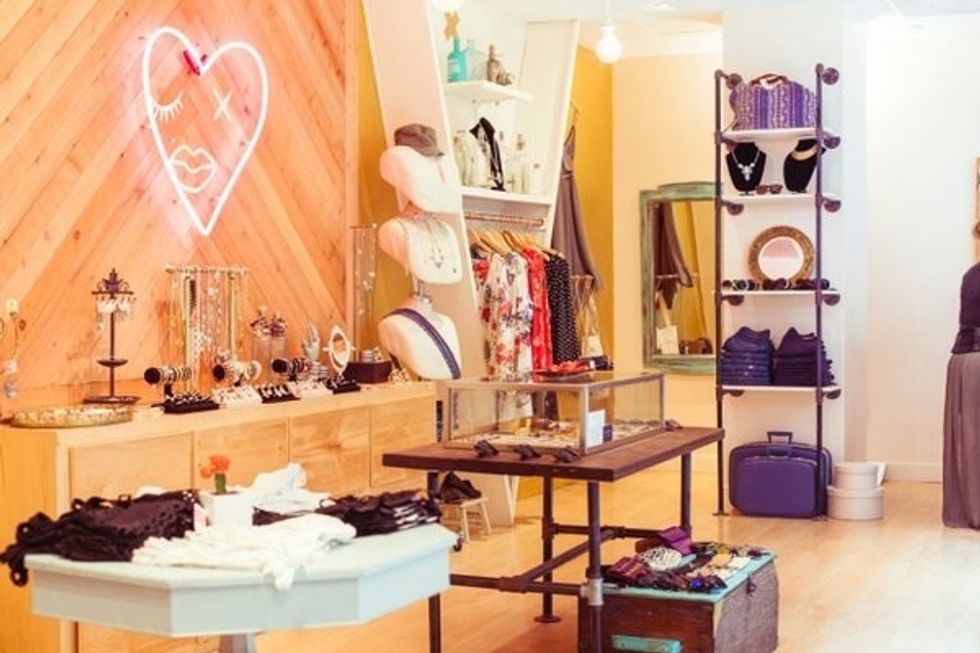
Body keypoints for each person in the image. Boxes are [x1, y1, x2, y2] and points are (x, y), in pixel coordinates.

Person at [943, 262, 980, 528]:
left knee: (970, 440)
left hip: (964, 360)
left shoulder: (972, 274)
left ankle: (970, 509)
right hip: (975, 362)